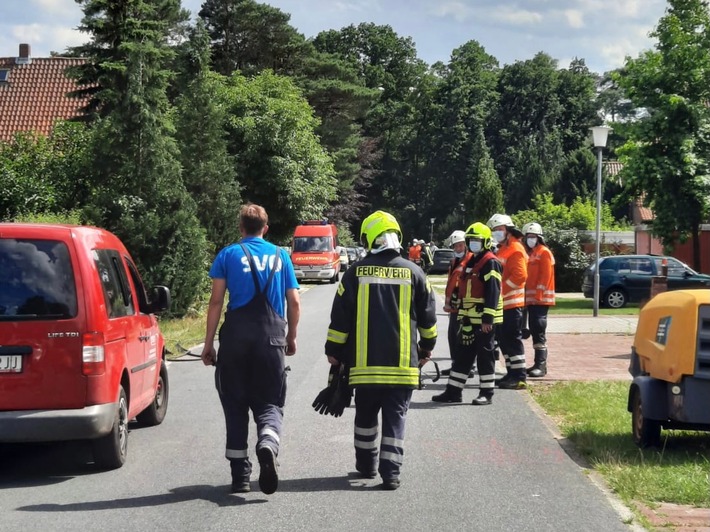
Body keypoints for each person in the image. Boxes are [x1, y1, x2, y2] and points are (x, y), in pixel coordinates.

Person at [324, 211, 437, 490]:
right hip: (403, 368)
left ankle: (366, 465)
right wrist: (426, 348)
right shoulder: (415, 272)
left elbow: (340, 318)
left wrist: (334, 351)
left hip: (365, 369)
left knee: (365, 416)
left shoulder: (355, 273)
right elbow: (428, 319)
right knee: (396, 418)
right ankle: (391, 473)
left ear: (369, 239)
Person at [200, 203, 300, 495]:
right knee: (270, 403)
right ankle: (268, 443)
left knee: (235, 406)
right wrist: (291, 337)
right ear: (265, 229)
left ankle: (240, 476)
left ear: (240, 227)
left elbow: (216, 301)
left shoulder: (228, 255)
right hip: (271, 340)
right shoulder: (281, 256)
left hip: (235, 342)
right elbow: (294, 301)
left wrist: (208, 345)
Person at [432, 222, 503, 405]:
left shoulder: (490, 262)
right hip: (469, 318)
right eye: (471, 240)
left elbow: (493, 292)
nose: (473, 244)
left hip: (484, 320)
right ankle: (453, 392)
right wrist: (460, 307)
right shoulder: (472, 261)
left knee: (485, 356)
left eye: (476, 240)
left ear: (486, 241)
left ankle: (486, 393)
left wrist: (488, 318)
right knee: (463, 355)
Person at [487, 213, 528, 389]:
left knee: (512, 340)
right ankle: (511, 374)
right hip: (504, 304)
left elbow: (520, 276)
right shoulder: (503, 248)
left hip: (512, 304)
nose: (496, 232)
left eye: (499, 229)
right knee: (504, 341)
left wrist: (501, 291)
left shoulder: (516, 248)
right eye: (494, 230)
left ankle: (519, 376)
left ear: (508, 230)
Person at [522, 222, 556, 378]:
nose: (531, 239)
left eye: (533, 236)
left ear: (539, 237)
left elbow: (545, 275)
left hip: (541, 300)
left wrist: (539, 293)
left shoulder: (544, 252)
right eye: (528, 237)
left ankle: (541, 365)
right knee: (533, 329)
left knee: (538, 329)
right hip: (530, 300)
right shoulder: (530, 253)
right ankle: (537, 363)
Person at [442, 230, 470, 366]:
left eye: (461, 245)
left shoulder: (470, 261)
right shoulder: (454, 262)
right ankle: (456, 364)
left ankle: (466, 366)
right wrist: (448, 303)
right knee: (453, 336)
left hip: (465, 306)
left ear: (466, 245)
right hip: (454, 307)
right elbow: (450, 284)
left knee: (463, 336)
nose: (458, 248)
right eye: (456, 246)